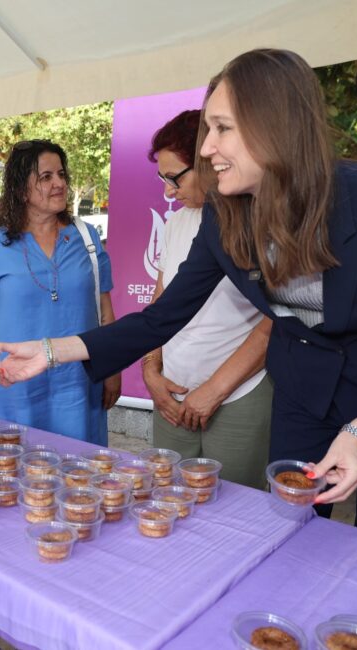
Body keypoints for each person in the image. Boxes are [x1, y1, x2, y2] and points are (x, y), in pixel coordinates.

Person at [0, 49, 357, 543]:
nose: (206, 149)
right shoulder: (224, 217)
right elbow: (161, 319)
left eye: (221, 129)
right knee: (289, 536)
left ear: (274, 124)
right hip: (306, 392)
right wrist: (50, 352)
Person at [0, 139, 120, 445]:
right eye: (46, 177)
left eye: (62, 175)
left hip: (76, 389)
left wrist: (114, 370)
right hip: (11, 393)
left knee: (77, 483)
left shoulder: (87, 239)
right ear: (21, 190)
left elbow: (105, 313)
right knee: (13, 481)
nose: (59, 183)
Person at [143, 109, 274, 489]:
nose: (168, 190)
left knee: (233, 513)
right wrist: (152, 371)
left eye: (174, 178)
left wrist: (214, 391)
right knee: (168, 500)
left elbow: (274, 322)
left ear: (209, 161)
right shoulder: (177, 222)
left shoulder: (256, 221)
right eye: (162, 178)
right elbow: (160, 306)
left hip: (239, 395)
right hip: (172, 394)